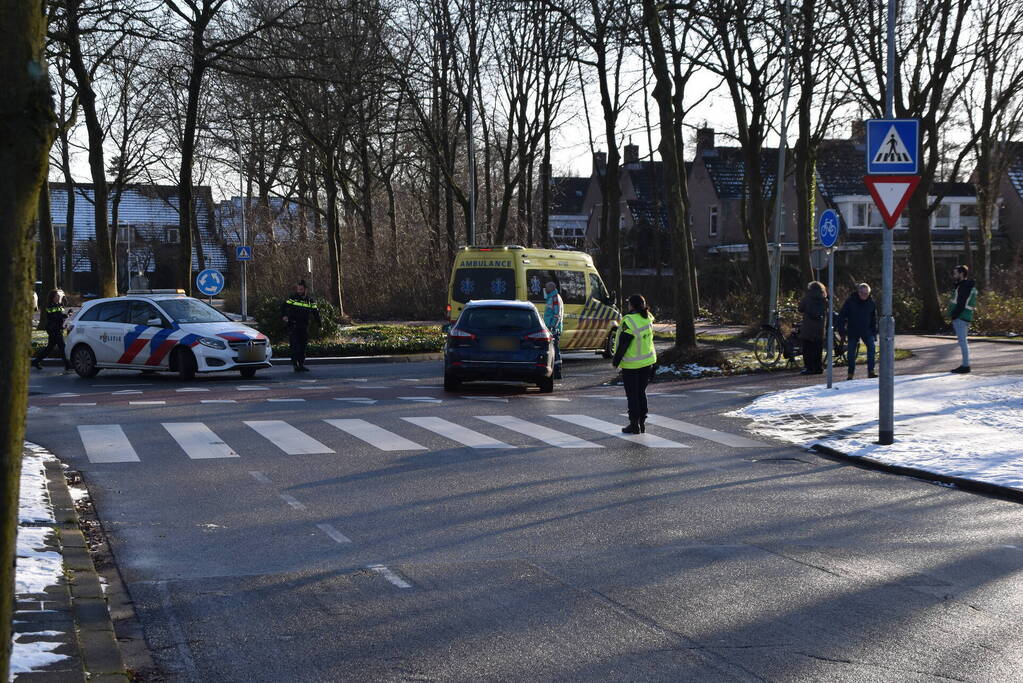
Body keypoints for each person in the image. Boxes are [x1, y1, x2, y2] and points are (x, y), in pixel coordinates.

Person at [612, 294, 657, 434]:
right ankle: (642, 422)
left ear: (632, 305)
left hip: (632, 364)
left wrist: (616, 361)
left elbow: (624, 343)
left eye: (629, 304)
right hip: (647, 361)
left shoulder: (629, 321)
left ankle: (634, 424)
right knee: (641, 392)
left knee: (632, 395)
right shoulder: (647, 317)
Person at [839, 283, 878, 380]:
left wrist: (874, 333)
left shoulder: (871, 302)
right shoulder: (850, 301)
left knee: (872, 349)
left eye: (867, 293)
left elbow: (873, 319)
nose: (865, 295)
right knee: (851, 353)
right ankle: (850, 373)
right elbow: (842, 316)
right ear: (858, 292)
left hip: (867, 330)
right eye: (863, 293)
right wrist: (842, 331)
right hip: (853, 330)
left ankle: (871, 371)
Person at [281, 280, 320, 372]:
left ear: (305, 289)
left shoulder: (310, 301)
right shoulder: (293, 298)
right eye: (298, 289)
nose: (299, 291)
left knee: (303, 346)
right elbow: (283, 306)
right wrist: (284, 316)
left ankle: (301, 364)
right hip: (293, 325)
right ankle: (295, 364)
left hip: (304, 326)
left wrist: (319, 324)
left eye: (301, 289)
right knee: (295, 346)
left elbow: (316, 312)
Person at [947, 264, 978, 374]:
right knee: (963, 342)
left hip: (961, 317)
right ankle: (965, 365)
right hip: (965, 316)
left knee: (963, 342)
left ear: (961, 273)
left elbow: (961, 303)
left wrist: (954, 315)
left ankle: (965, 366)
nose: (953, 275)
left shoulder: (964, 286)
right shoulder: (967, 286)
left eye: (955, 273)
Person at [32, 290, 72, 372]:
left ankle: (36, 361)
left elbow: (60, 316)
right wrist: (66, 315)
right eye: (57, 296)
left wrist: (66, 316)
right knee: (62, 346)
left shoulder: (59, 304)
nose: (58, 297)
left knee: (49, 348)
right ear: (53, 297)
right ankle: (68, 366)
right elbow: (55, 317)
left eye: (58, 296)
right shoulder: (49, 306)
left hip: (57, 328)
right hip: (53, 329)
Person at [798, 281, 828, 375]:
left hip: (808, 328)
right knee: (818, 349)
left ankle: (809, 368)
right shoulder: (824, 299)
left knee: (807, 350)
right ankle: (818, 367)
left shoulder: (807, 298)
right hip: (820, 328)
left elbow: (800, 308)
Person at [543, 281, 564, 379]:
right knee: (554, 349)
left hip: (553, 329)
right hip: (551, 328)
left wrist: (552, 327)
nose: (545, 290)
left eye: (546, 288)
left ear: (551, 288)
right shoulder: (552, 298)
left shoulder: (555, 298)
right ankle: (556, 371)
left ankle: (557, 372)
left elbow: (557, 315)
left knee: (555, 349)